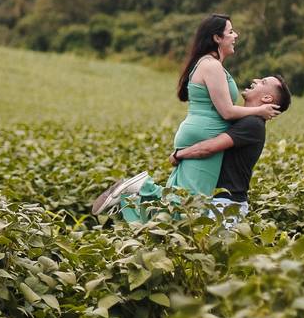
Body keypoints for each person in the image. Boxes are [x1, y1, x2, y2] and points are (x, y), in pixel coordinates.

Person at [91, 14, 280, 219]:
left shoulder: (209, 64)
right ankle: (141, 187)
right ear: (217, 38)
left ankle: (133, 202)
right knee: (190, 207)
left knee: (181, 200)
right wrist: (259, 111)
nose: (236, 35)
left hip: (201, 130)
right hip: (205, 133)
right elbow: (226, 111)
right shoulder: (212, 65)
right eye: (231, 31)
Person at [169, 75, 291, 224]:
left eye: (262, 82)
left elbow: (209, 148)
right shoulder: (245, 119)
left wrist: (178, 154)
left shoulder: (252, 124)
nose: (255, 80)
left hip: (226, 205)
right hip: (219, 200)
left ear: (267, 98)